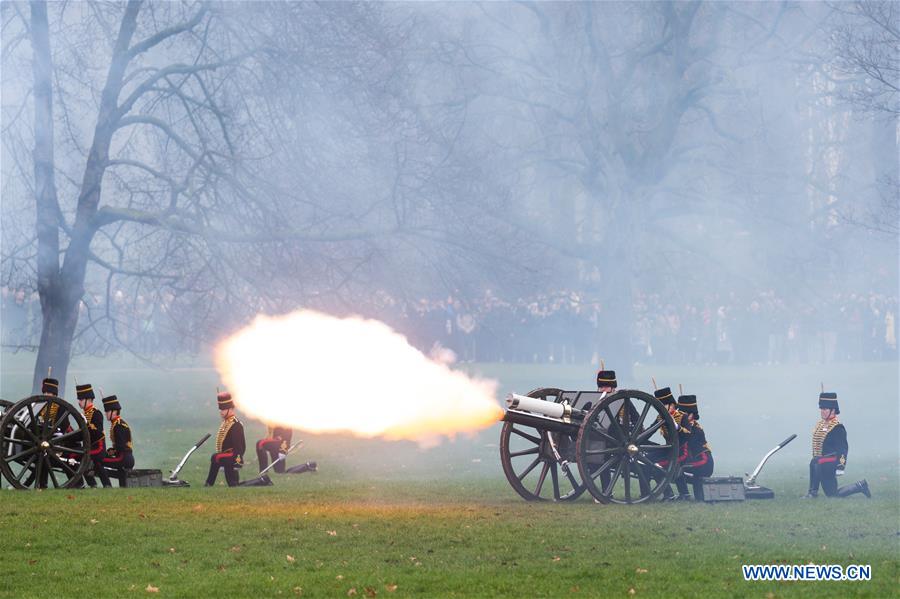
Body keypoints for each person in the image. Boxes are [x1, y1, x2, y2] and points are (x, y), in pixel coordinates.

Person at [803, 391, 870, 498]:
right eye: (821, 409)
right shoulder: (820, 425)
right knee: (832, 495)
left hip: (831, 461)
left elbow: (843, 449)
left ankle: (812, 493)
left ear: (833, 410)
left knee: (815, 461)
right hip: (822, 463)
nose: (822, 411)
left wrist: (840, 466)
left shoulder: (838, 428)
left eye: (825, 409)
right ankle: (860, 486)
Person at [674, 394, 714, 500]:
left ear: (691, 415)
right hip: (695, 460)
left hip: (704, 462)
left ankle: (685, 495)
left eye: (684, 414)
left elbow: (685, 446)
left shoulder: (695, 429)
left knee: (678, 468)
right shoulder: (687, 428)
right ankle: (687, 495)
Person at [206, 391, 245, 487]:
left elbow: (239, 447)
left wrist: (237, 462)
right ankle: (209, 484)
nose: (221, 412)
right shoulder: (226, 423)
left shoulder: (236, 424)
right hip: (227, 456)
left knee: (216, 457)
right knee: (233, 485)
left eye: (224, 409)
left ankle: (209, 484)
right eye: (220, 409)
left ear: (231, 409)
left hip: (233, 456)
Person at [75, 383, 110, 488]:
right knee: (77, 455)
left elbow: (97, 434)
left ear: (88, 399)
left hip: (98, 447)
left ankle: (93, 484)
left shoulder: (96, 413)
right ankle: (93, 485)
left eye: (81, 400)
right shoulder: (84, 414)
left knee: (81, 456)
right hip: (89, 447)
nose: (79, 402)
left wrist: (87, 425)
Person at [100, 394, 134, 487]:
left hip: (124, 458)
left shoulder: (118, 425)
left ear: (114, 411)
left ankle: (107, 486)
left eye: (107, 411)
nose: (106, 413)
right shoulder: (116, 424)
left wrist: (112, 451)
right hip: (123, 456)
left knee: (99, 462)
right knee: (122, 483)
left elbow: (121, 446)